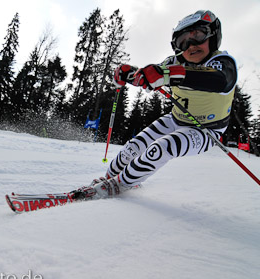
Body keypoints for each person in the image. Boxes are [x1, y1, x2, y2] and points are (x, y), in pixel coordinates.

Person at [73, 10, 237, 199]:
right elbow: (151, 76)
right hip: (175, 119)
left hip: (207, 130)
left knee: (164, 147)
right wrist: (128, 74)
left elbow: (220, 81)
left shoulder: (222, 62)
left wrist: (166, 74)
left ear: (213, 35)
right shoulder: (174, 62)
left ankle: (118, 185)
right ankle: (108, 178)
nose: (191, 45)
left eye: (198, 36)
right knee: (132, 148)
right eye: (183, 42)